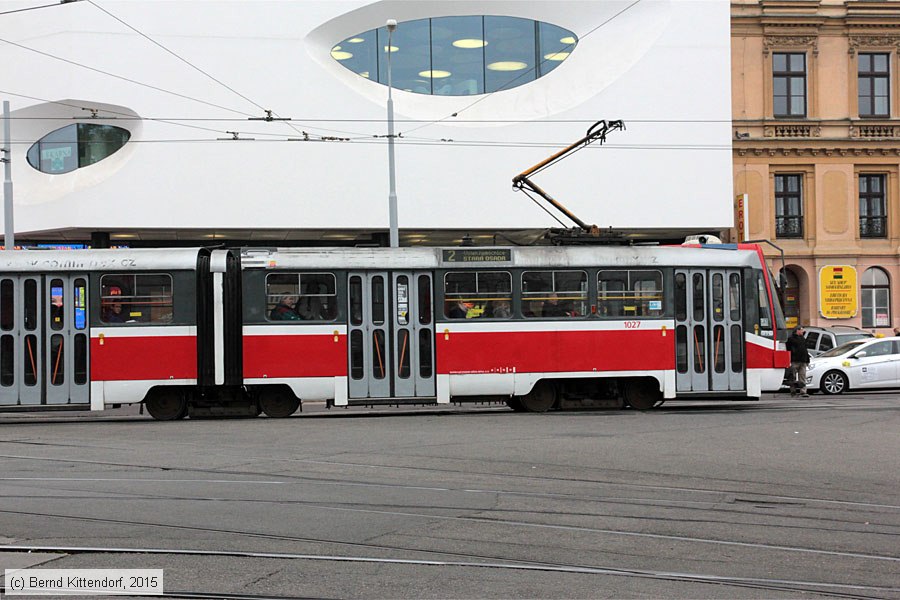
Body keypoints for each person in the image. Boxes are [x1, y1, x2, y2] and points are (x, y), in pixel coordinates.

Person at [785, 326, 810, 397]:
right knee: (792, 376)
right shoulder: (791, 339)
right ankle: (793, 391)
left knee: (802, 376)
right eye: (802, 330)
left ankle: (803, 391)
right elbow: (788, 350)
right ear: (797, 331)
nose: (803, 332)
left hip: (803, 360)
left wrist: (807, 359)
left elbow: (805, 350)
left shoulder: (803, 339)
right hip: (794, 360)